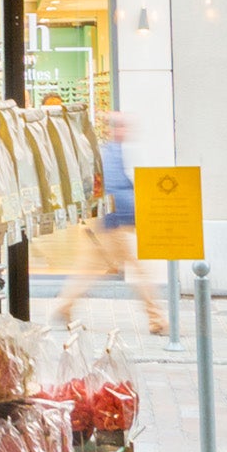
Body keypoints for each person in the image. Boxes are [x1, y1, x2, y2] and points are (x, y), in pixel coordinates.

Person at [47, 113, 163, 336]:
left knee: (87, 270)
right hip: (113, 224)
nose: (125, 131)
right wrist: (134, 217)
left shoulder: (107, 152)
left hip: (105, 222)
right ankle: (157, 319)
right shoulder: (113, 153)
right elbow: (115, 191)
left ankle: (64, 307)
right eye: (121, 126)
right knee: (139, 271)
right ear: (113, 130)